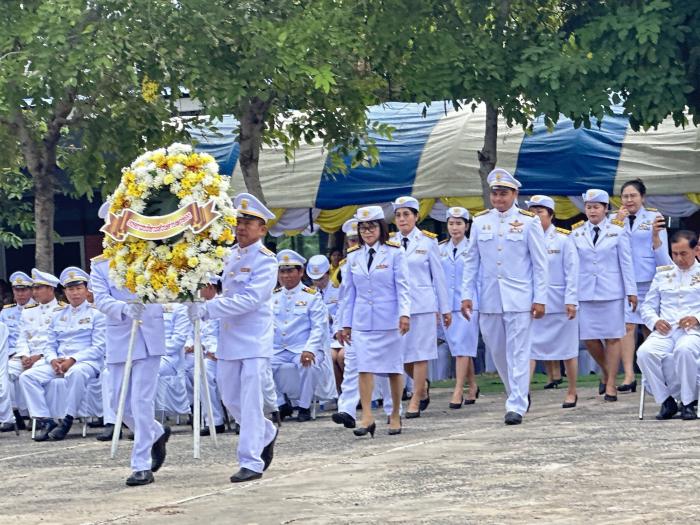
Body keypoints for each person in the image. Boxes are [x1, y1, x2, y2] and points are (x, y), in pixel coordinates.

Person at [187, 192, 279, 483]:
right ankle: (266, 431)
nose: (241, 227)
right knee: (229, 398)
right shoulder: (228, 256)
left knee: (250, 401)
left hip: (253, 340)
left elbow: (250, 299)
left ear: (262, 228)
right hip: (229, 339)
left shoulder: (267, 260)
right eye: (238, 221)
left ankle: (251, 461)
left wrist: (208, 309)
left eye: (249, 222)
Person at [461, 168, 548, 425]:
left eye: (504, 193)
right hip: (489, 297)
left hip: (519, 297)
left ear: (514, 194)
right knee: (497, 350)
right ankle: (517, 393)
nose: (499, 198)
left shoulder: (529, 221)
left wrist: (540, 297)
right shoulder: (480, 222)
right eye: (495, 194)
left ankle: (516, 405)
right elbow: (471, 261)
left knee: (518, 352)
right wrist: (467, 294)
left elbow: (540, 264)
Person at [91, 210, 170, 486]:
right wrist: (123, 308)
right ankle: (156, 432)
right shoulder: (100, 265)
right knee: (118, 404)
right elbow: (100, 299)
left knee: (141, 402)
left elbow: (166, 286)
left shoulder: (149, 255)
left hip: (148, 337)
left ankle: (141, 464)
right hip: (120, 338)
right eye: (113, 227)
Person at [340, 205, 410, 437]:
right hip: (362, 321)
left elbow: (403, 286)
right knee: (364, 368)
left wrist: (405, 313)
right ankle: (367, 416)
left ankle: (395, 414)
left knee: (393, 368)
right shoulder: (353, 256)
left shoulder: (394, 252)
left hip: (389, 319)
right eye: (363, 228)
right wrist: (345, 323)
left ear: (381, 228)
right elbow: (348, 293)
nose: (367, 232)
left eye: (371, 227)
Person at [20, 267, 106, 441]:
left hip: (85, 362)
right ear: (65, 292)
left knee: (76, 372)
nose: (75, 293)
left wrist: (73, 360)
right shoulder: (58, 315)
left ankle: (67, 420)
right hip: (58, 363)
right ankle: (46, 421)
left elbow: (99, 347)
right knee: (27, 377)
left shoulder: (96, 314)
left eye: (78, 289)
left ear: (86, 290)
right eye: (70, 289)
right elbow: (49, 344)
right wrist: (52, 360)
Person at [571, 189, 637, 401]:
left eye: (596, 207)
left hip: (611, 291)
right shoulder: (577, 232)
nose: (592, 211)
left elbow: (626, 262)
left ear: (606, 209)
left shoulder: (617, 230)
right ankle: (608, 371)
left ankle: (610, 385)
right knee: (589, 339)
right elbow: (572, 266)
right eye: (589, 207)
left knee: (613, 337)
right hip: (585, 291)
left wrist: (631, 291)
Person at [392, 196, 451, 417]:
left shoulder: (428, 242)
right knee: (401, 355)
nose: (402, 219)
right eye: (398, 215)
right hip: (398, 309)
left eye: (406, 214)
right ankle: (422, 386)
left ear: (416, 216)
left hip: (423, 305)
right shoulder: (390, 244)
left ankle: (416, 398)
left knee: (420, 354)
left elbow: (439, 279)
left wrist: (445, 309)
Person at [614, 179, 671, 393]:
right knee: (627, 327)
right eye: (625, 196)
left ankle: (650, 375)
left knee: (649, 327)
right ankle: (629, 375)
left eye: (633, 196)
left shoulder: (653, 217)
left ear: (642, 198)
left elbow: (661, 252)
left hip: (648, 280)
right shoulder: (614, 219)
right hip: (624, 282)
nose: (629, 200)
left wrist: (665, 277)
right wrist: (617, 224)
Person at [637, 230, 700, 420]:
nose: (678, 259)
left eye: (683, 254)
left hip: (692, 331)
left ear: (696, 250)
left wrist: (697, 318)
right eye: (675, 254)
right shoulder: (663, 274)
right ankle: (666, 401)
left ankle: (688, 403)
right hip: (666, 331)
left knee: (685, 350)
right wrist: (655, 321)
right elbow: (647, 306)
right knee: (644, 353)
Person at [525, 196, 580, 408]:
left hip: (559, 303)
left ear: (551, 214)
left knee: (567, 350)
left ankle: (572, 390)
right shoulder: (526, 237)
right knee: (529, 349)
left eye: (540, 211)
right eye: (532, 212)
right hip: (534, 304)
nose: (536, 216)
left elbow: (571, 271)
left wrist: (571, 300)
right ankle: (524, 392)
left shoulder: (563, 239)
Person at [271, 250, 328, 422]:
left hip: (302, 348)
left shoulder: (312, 297)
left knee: (308, 365)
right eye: (282, 271)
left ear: (300, 272)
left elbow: (319, 327)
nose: (286, 276)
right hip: (278, 349)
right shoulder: (272, 297)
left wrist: (310, 349)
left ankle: (304, 406)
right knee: (258, 366)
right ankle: (281, 404)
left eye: (290, 271)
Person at [439, 206, 481, 408]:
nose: (454, 228)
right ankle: (472, 385)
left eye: (459, 224)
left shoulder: (474, 247)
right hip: (448, 305)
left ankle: (458, 390)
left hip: (468, 304)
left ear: (466, 226)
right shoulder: (440, 249)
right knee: (458, 348)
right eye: (451, 223)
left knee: (463, 347)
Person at [184, 278, 225, 436]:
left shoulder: (222, 304)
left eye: (198, 287)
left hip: (223, 354)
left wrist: (215, 351)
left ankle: (240, 420)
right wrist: (191, 344)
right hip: (206, 355)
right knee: (202, 373)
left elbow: (226, 333)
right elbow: (190, 330)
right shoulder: (197, 305)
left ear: (209, 286)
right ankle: (214, 421)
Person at [331, 219, 362, 429]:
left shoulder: (386, 255)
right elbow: (343, 299)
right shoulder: (346, 264)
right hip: (354, 323)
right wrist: (339, 327)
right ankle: (347, 409)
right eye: (350, 240)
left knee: (386, 369)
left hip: (379, 321)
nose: (353, 243)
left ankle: (391, 408)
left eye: (356, 239)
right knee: (351, 367)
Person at [0, 271, 36, 432]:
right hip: (10, 356)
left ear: (31, 290)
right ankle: (13, 414)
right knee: (4, 374)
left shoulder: (38, 310)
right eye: (17, 290)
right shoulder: (6, 312)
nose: (20, 294)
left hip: (33, 356)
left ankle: (32, 415)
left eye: (24, 290)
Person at [306, 254, 343, 392]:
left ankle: (353, 391)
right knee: (330, 358)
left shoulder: (338, 291)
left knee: (342, 357)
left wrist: (331, 317)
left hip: (337, 334)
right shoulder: (309, 294)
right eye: (314, 279)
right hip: (322, 338)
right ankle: (339, 392)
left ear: (328, 274)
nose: (317, 283)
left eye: (321, 278)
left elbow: (343, 314)